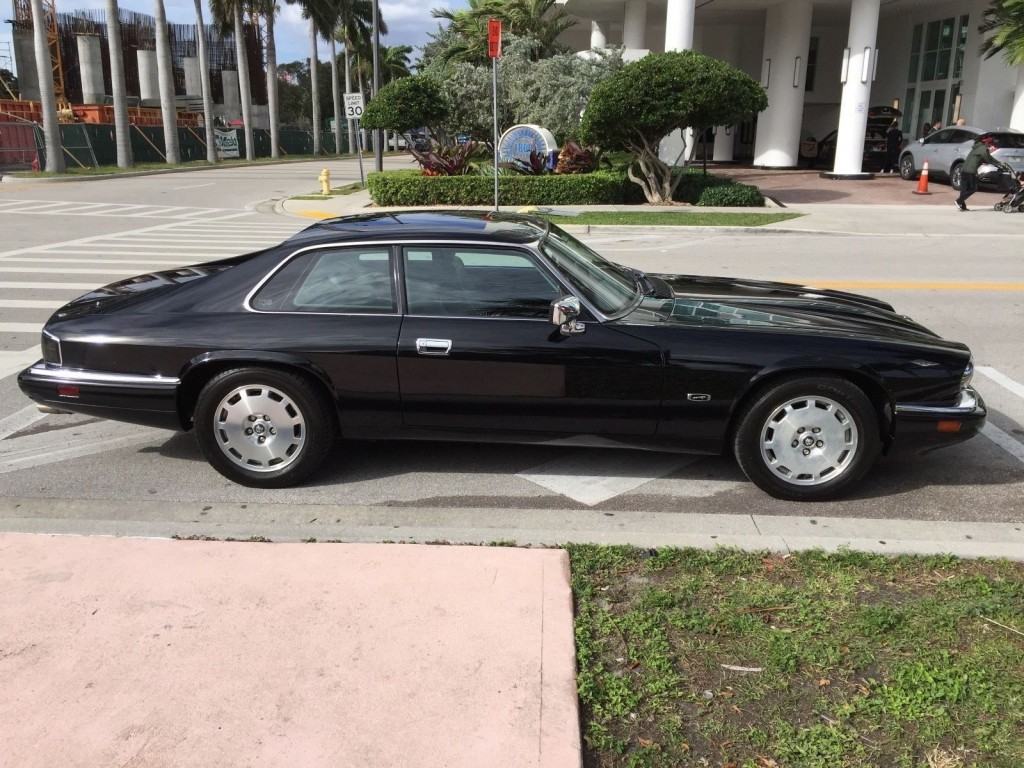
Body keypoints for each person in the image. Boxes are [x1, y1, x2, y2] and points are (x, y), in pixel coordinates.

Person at [956, 136, 998, 211]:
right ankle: (958, 201)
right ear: (987, 143)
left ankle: (962, 206)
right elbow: (988, 159)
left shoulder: (976, 148)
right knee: (973, 188)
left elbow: (980, 158)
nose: (991, 146)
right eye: (991, 144)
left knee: (964, 189)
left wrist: (985, 161)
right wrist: (998, 164)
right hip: (970, 171)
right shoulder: (983, 149)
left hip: (963, 170)